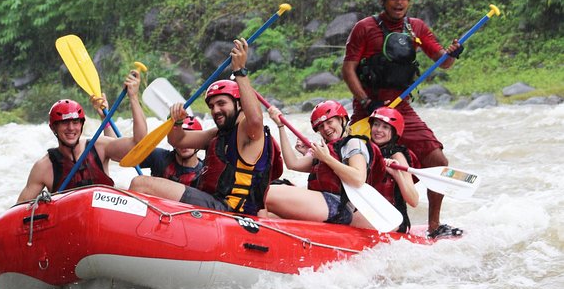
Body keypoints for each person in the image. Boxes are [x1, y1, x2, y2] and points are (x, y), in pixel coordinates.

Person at [341, 0, 464, 238]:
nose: (399, 4)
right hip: (369, 110)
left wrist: (453, 54)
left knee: (437, 159)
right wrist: (366, 101)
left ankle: (433, 225)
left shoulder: (416, 28)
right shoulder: (364, 28)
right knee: (360, 167)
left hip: (400, 110)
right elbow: (348, 69)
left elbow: (442, 62)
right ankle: (349, 218)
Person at [129, 38, 283, 216]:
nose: (215, 110)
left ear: (239, 104)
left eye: (221, 103)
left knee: (141, 184)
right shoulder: (220, 134)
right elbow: (178, 139)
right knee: (143, 184)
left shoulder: (248, 131)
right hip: (212, 203)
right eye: (211, 106)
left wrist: (240, 71)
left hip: (230, 211)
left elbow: (256, 118)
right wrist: (177, 122)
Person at [17, 69, 147, 203]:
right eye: (64, 123)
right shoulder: (44, 167)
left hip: (104, 217)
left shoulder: (99, 147)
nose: (71, 128)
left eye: (75, 122)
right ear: (53, 127)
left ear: (82, 125)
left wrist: (133, 97)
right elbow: (18, 210)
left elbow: (138, 144)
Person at [260, 100, 373, 229]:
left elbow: (358, 179)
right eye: (321, 126)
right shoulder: (324, 150)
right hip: (323, 206)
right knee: (270, 213)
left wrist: (326, 158)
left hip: (337, 206)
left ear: (342, 120)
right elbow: (293, 163)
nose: (326, 128)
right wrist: (281, 127)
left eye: (330, 122)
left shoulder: (353, 143)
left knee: (263, 193)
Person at [91, 94, 205, 186]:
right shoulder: (160, 157)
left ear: (197, 142)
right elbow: (118, 152)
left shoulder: (204, 172)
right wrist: (106, 119)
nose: (184, 144)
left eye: (188, 139)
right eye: (181, 138)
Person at [366, 107, 419, 233]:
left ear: (394, 132)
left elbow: (414, 200)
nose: (378, 130)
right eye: (376, 124)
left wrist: (396, 174)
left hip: (395, 220)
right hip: (368, 213)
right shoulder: (364, 150)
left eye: (385, 127)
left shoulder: (397, 156)